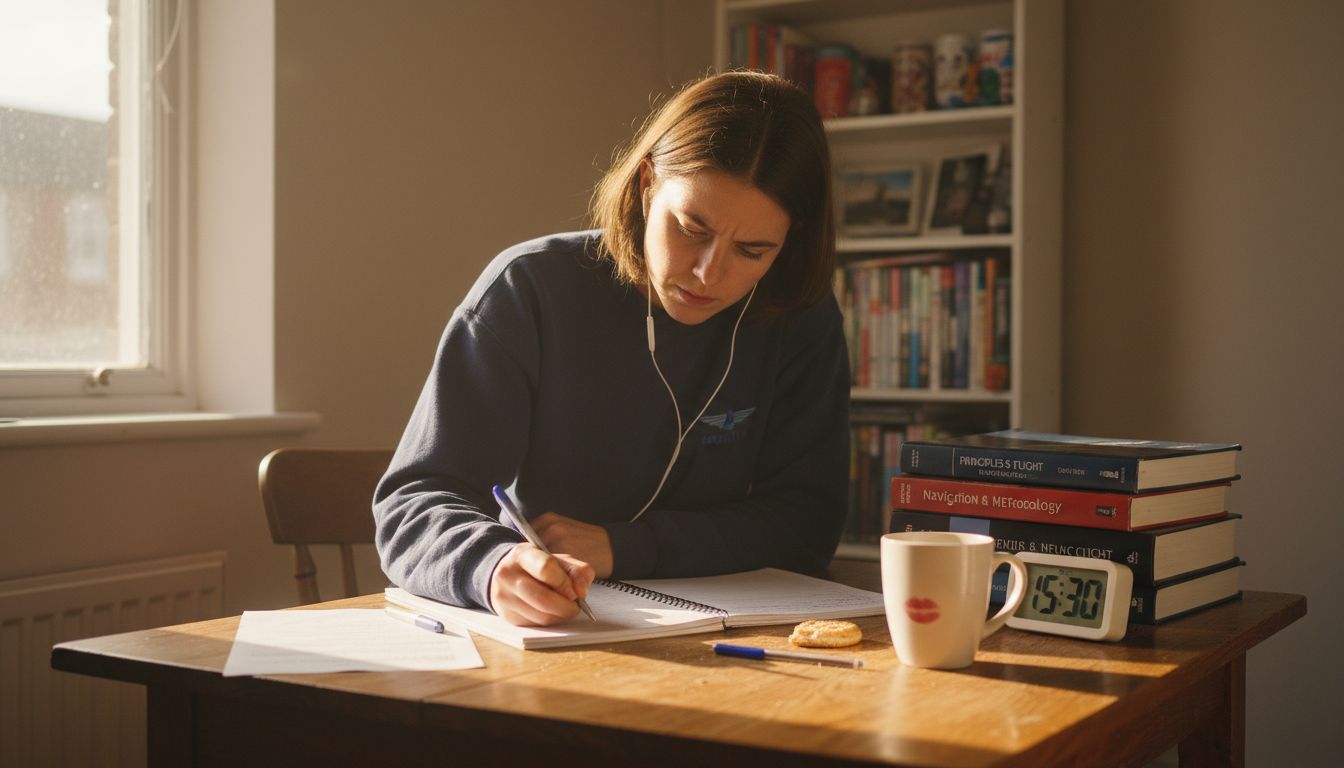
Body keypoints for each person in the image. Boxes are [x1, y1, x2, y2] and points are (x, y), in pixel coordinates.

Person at [373, 70, 850, 627]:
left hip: (732, 638)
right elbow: (413, 502)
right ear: (648, 183)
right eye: (691, 228)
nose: (708, 273)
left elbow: (805, 525)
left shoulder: (799, 317)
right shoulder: (531, 290)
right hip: (553, 631)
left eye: (751, 250)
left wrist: (625, 547)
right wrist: (492, 564)